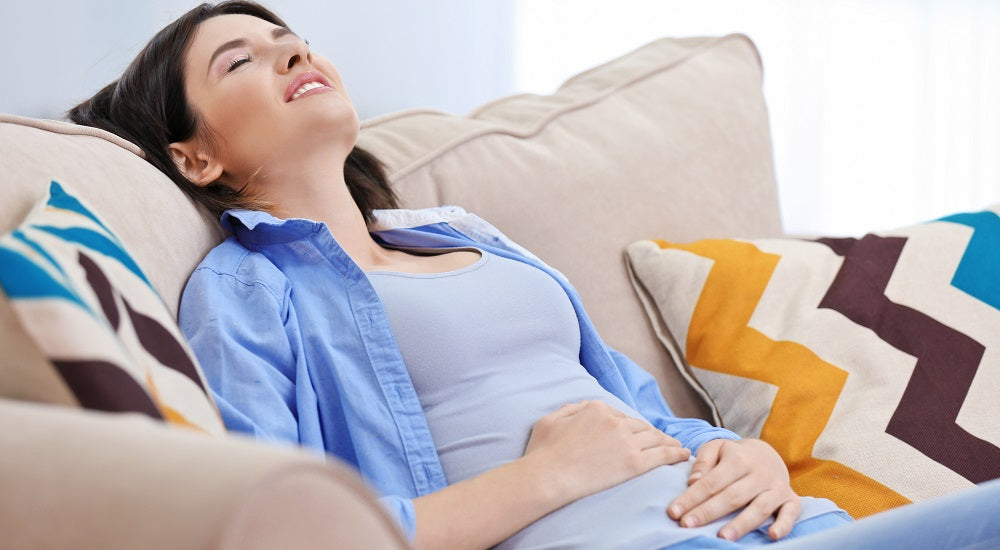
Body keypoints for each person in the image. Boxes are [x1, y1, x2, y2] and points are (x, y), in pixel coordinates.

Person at [68, 2, 1000, 549]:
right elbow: (294, 533)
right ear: (195, 159)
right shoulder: (244, 292)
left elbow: (627, 405)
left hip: (771, 527)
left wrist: (748, 455)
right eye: (243, 58)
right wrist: (549, 478)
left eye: (293, 41)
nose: (294, 53)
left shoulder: (467, 236)